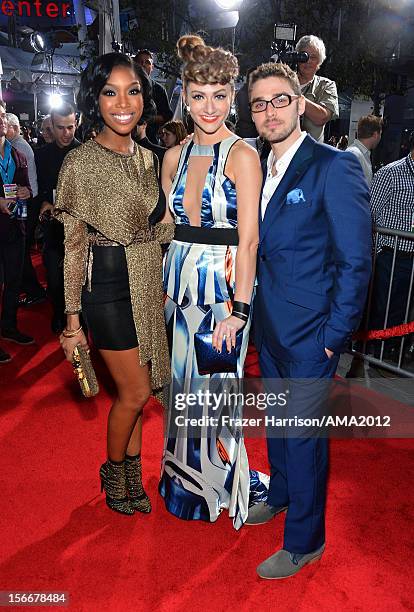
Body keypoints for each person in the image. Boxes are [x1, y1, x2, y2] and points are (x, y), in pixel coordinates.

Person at [247, 62, 371, 578]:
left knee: (303, 438)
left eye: (280, 100)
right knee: (278, 428)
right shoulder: (256, 165)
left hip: (311, 336)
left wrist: (334, 337)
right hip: (269, 328)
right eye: (258, 103)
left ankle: (306, 540)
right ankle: (279, 495)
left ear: (301, 104)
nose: (269, 111)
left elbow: (356, 260)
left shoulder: (333, 165)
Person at [55, 53, 171, 516]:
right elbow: (73, 248)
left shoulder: (149, 159)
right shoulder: (80, 164)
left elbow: (163, 222)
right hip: (104, 287)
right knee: (136, 392)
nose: (123, 103)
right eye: (110, 92)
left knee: (136, 394)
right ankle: (113, 469)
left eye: (133, 91)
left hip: (144, 282)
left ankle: (130, 473)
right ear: (95, 99)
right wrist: (71, 324)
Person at [159, 35, 263, 529]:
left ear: (232, 96)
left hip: (221, 295)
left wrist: (239, 310)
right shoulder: (172, 158)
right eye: (199, 95)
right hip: (176, 290)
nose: (209, 107)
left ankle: (219, 483)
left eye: (219, 95)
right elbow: (170, 230)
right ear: (183, 94)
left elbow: (248, 242)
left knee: (217, 390)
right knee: (182, 388)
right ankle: (182, 483)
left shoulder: (243, 156)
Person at [35, 103, 81, 333]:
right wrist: (43, 202)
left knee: (78, 279)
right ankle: (58, 314)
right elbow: (38, 190)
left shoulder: (85, 154)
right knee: (54, 278)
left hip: (79, 230)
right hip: (52, 229)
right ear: (51, 126)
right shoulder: (41, 156)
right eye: (60, 127)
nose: (66, 133)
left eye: (70, 127)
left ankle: (78, 320)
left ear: (77, 124)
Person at [369, 130, 414, 360]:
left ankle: (392, 349)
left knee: (403, 308)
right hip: (390, 254)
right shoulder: (390, 173)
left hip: (411, 258)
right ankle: (378, 350)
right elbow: (370, 213)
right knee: (384, 306)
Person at [0, 100, 34, 361]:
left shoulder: (18, 154)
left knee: (13, 281)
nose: (1, 120)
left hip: (15, 228)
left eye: (2, 116)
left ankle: (9, 326)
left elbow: (25, 189)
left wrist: (27, 193)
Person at [6, 113, 46, 306]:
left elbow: (19, 182)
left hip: (26, 202)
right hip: (24, 201)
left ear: (13, 127)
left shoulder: (18, 147)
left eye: (5, 125)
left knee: (21, 250)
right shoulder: (16, 146)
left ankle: (33, 289)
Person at [295, 35, 339, 143]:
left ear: (319, 62)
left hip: (312, 155)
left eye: (313, 57)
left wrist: (294, 96)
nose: (308, 61)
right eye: (304, 56)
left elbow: (321, 118)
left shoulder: (326, 85)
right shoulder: (283, 81)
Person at [134, 49, 173, 144]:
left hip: (150, 140)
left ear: (152, 67)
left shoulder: (159, 90)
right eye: (140, 62)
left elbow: (167, 116)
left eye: (147, 62)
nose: (143, 64)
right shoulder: (123, 87)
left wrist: (148, 118)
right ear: (133, 65)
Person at [347, 115, 383, 185]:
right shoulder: (354, 154)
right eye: (380, 134)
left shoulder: (361, 153)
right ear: (375, 134)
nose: (380, 138)